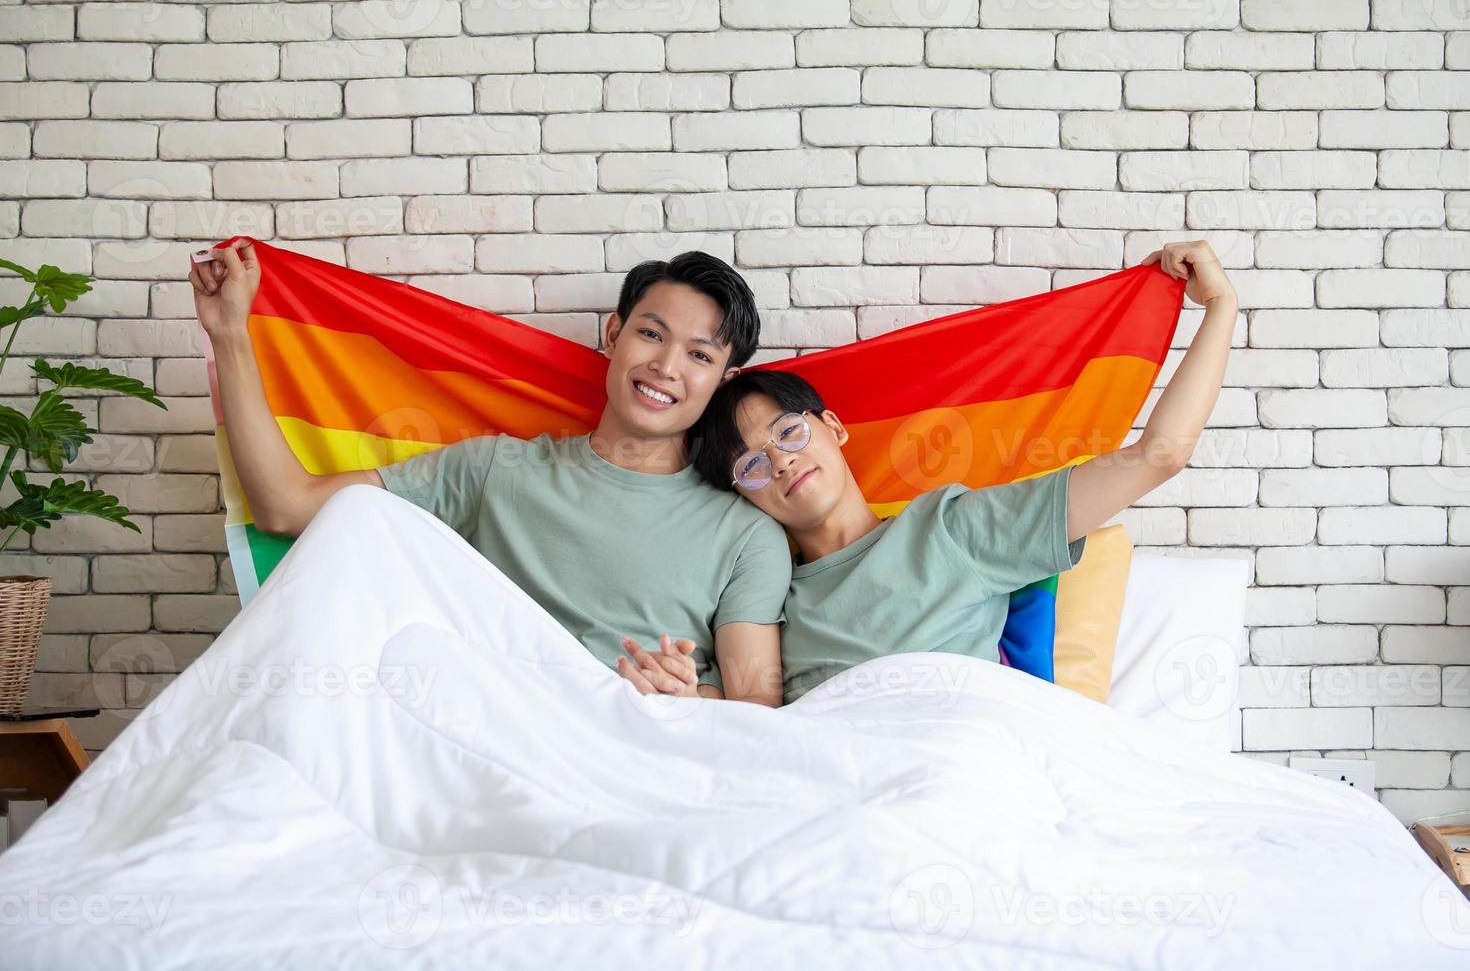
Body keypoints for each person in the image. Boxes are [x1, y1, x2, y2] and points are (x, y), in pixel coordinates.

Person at [188, 240, 790, 705]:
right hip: (491, 732)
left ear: (722, 381)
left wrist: (689, 698)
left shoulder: (746, 534)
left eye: (699, 355)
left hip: (646, 747)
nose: (665, 366)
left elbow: (756, 705)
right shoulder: (495, 470)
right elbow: (286, 506)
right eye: (651, 334)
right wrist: (230, 334)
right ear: (614, 335)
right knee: (355, 532)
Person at [682, 240, 1239, 705]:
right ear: (742, 495)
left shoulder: (953, 530)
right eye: (751, 464)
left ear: (834, 427)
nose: (781, 461)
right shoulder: (764, 602)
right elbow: (746, 719)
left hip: (960, 767)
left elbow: (1158, 455)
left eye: (788, 432)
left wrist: (1220, 308)